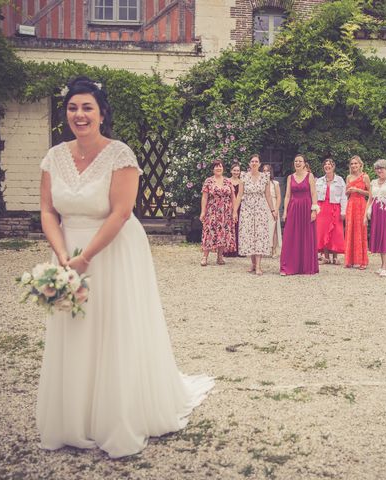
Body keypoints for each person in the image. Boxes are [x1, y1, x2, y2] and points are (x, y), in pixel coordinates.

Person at [37, 76, 214, 459]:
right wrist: (63, 253)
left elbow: (120, 213)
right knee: (74, 329)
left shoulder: (121, 155)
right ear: (65, 113)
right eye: (72, 107)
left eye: (87, 107)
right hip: (67, 251)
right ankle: (74, 418)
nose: (79, 115)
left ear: (102, 113)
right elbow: (48, 210)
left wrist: (85, 258)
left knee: (112, 329)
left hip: (112, 251)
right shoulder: (53, 157)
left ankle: (114, 417)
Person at [235, 154, 277, 275]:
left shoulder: (265, 177)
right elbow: (239, 195)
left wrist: (273, 210)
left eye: (256, 161)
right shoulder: (243, 176)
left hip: (260, 209)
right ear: (249, 164)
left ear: (259, 164)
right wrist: (234, 211)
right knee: (249, 235)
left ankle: (258, 265)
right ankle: (253, 264)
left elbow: (268, 195)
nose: (254, 163)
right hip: (246, 209)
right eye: (252, 161)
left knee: (259, 235)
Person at [280, 154, 320, 275]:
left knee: (306, 236)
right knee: (290, 236)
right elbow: (287, 195)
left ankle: (306, 266)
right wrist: (285, 211)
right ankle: (287, 267)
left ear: (304, 163)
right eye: (296, 161)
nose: (297, 163)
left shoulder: (310, 176)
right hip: (293, 208)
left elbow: (313, 194)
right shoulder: (290, 177)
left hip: (306, 208)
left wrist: (314, 210)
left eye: (300, 161)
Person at [199, 160, 237, 266]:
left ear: (223, 168)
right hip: (212, 210)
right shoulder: (208, 181)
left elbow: (233, 197)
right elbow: (204, 197)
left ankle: (220, 257)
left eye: (220, 166)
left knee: (223, 233)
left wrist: (234, 212)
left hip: (226, 212)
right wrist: (203, 212)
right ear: (213, 169)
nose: (218, 168)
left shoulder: (228, 181)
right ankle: (205, 257)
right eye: (216, 167)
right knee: (209, 232)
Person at [365, 159, 386, 277]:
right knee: (379, 237)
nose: (379, 170)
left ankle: (385, 266)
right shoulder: (373, 182)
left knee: (385, 237)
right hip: (376, 213)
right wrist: (365, 215)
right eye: (377, 168)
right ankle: (382, 265)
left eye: (382, 168)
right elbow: (370, 199)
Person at [315, 158, 347, 264]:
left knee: (336, 231)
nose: (327, 166)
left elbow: (344, 196)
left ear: (333, 167)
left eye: (329, 164)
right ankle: (326, 256)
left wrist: (343, 211)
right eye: (325, 164)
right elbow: (314, 196)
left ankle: (335, 256)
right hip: (322, 208)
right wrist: (314, 209)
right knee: (322, 231)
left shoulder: (340, 180)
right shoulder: (319, 181)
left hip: (335, 207)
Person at [344, 155, 370, 269]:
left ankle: (362, 261)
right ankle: (349, 260)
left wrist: (358, 190)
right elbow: (346, 193)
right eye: (352, 164)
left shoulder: (365, 177)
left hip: (360, 204)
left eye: (356, 163)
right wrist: (348, 191)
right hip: (351, 204)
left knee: (360, 230)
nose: (354, 165)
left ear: (360, 164)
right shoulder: (348, 177)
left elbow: (370, 193)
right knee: (350, 230)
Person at [261, 164, 282, 257]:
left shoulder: (275, 183)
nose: (266, 173)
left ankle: (273, 249)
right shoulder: (260, 183)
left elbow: (279, 197)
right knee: (263, 228)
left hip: (273, 206)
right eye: (264, 171)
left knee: (273, 228)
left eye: (267, 171)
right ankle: (264, 249)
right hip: (262, 206)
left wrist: (276, 210)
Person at [226, 162, 242, 257]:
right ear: (231, 171)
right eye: (234, 170)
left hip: (239, 206)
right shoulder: (227, 181)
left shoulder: (241, 182)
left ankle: (238, 250)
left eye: (238, 170)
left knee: (238, 227)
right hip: (229, 206)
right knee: (229, 227)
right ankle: (228, 249)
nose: (236, 172)